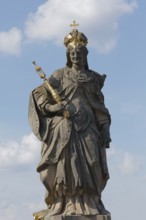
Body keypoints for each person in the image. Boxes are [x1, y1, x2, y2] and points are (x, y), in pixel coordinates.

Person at [29, 25, 111, 219]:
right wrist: (52, 108)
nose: (76, 56)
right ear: (68, 55)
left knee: (93, 163)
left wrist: (105, 129)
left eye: (79, 53)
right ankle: (63, 204)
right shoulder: (59, 75)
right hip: (64, 128)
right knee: (64, 165)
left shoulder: (92, 79)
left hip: (89, 128)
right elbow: (39, 94)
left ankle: (90, 204)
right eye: (72, 53)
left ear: (85, 55)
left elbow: (100, 108)